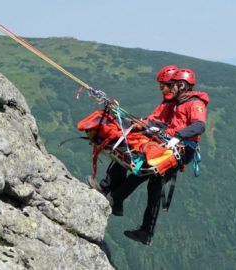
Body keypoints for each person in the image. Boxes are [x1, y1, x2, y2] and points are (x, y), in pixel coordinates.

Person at [111, 68, 209, 245]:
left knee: (145, 172)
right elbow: (168, 123)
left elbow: (199, 126)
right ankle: (144, 230)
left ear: (182, 85)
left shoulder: (195, 103)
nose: (172, 89)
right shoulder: (179, 102)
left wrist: (178, 136)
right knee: (153, 185)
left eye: (175, 85)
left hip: (182, 147)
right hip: (173, 144)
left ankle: (116, 199)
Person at [86, 65, 179, 216]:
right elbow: (155, 120)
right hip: (153, 137)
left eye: (163, 86)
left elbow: (165, 124)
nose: (161, 89)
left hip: (157, 142)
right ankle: (111, 194)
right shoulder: (168, 102)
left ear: (172, 85)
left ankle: (109, 192)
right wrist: (139, 122)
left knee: (125, 151)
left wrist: (144, 125)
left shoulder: (174, 105)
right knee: (124, 154)